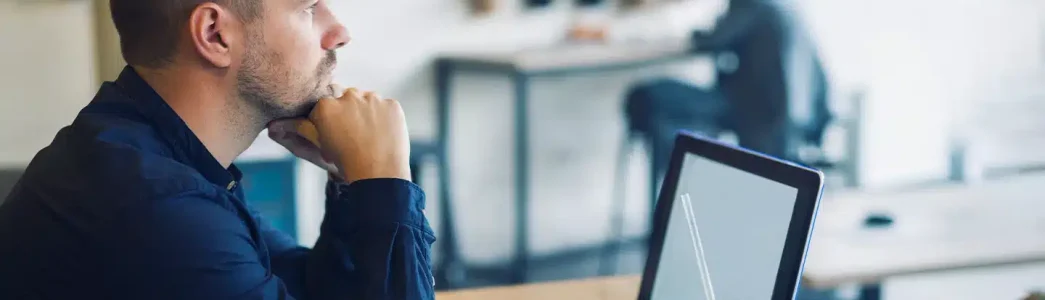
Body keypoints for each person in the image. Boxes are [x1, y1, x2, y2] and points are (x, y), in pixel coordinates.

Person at [0, 0, 434, 299]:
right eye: (307, 8)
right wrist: (385, 182)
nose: (339, 32)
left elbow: (304, 288)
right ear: (215, 34)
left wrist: (350, 180)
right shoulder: (154, 207)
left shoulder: (152, 155)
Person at [572, 0, 832, 177]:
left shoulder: (752, 4)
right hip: (787, 112)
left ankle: (680, 179)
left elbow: (709, 41)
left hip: (755, 112)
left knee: (646, 96)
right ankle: (685, 174)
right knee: (657, 99)